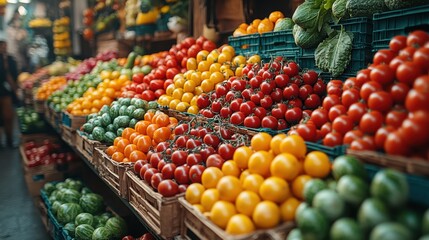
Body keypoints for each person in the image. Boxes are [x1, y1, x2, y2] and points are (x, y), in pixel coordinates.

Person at [0, 39, 18, 147]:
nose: (4, 48)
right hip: (4, 91)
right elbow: (8, 76)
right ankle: (8, 141)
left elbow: (10, 76)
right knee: (6, 117)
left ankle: (9, 140)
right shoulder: (5, 59)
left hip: (5, 92)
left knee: (7, 117)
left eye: (5, 46)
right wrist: (15, 89)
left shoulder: (9, 58)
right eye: (2, 46)